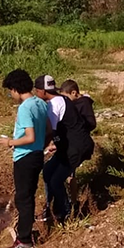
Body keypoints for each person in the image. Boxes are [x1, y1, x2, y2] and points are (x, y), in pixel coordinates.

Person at [0, 69, 48, 248]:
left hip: (25, 158)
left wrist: (10, 142)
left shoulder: (26, 107)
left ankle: (24, 241)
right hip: (36, 155)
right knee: (27, 196)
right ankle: (25, 233)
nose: (10, 95)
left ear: (15, 88)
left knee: (23, 199)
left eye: (10, 91)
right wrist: (40, 147)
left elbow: (30, 136)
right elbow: (48, 130)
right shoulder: (40, 104)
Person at [34, 75, 92, 224]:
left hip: (76, 148)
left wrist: (37, 149)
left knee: (56, 180)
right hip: (66, 147)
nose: (36, 94)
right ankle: (53, 208)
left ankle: (67, 214)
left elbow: (49, 132)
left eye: (37, 91)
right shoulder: (60, 100)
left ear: (42, 91)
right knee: (48, 171)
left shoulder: (54, 105)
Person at [59, 79, 97, 209]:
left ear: (74, 93)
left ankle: (72, 202)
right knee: (70, 173)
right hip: (72, 142)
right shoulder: (75, 104)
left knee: (69, 173)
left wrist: (79, 127)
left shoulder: (84, 104)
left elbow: (91, 124)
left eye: (66, 97)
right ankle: (72, 201)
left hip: (78, 143)